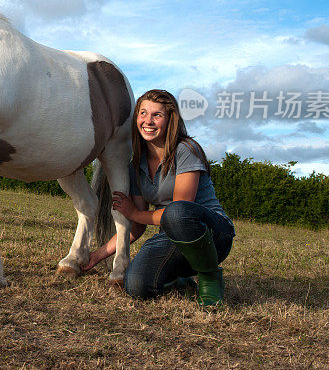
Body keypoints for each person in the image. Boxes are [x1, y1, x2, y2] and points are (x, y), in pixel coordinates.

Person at [83, 89, 235, 306]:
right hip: (172, 236)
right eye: (143, 113)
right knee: (135, 285)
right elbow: (136, 227)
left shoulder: (185, 150)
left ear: (170, 120)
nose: (148, 121)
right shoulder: (136, 165)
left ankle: (210, 275)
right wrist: (97, 256)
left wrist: (135, 213)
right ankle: (179, 280)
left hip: (213, 234)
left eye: (157, 115)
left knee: (176, 211)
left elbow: (181, 209)